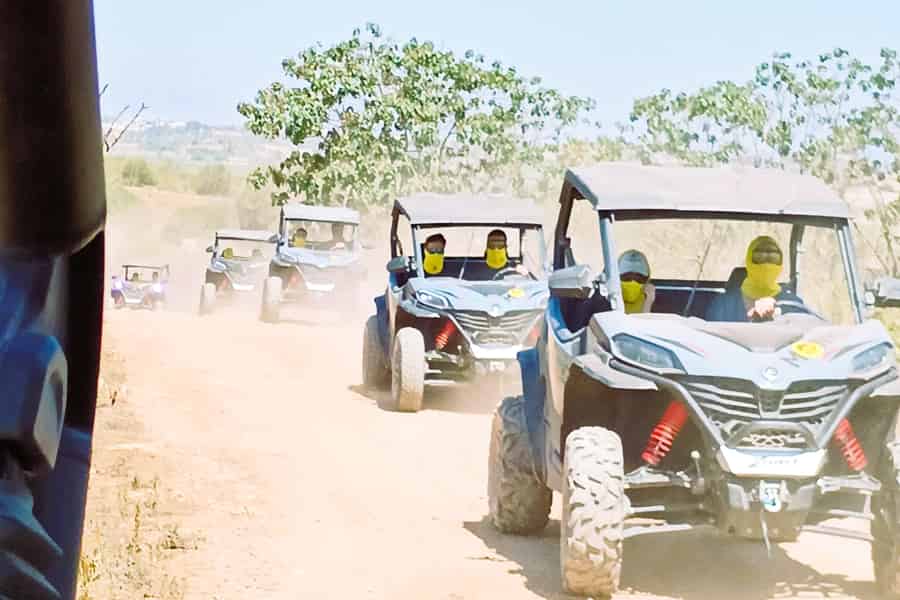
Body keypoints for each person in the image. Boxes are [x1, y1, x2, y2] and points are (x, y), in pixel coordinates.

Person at [706, 235, 804, 322]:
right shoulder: (724, 303)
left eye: (773, 258)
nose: (766, 265)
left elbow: (805, 335)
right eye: (759, 257)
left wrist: (778, 316)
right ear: (748, 261)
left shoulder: (793, 304)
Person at [618, 249, 655, 314]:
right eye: (627, 278)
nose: (633, 282)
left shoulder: (650, 298)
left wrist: (649, 301)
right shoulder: (607, 298)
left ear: (647, 280)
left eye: (639, 279)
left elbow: (643, 324)